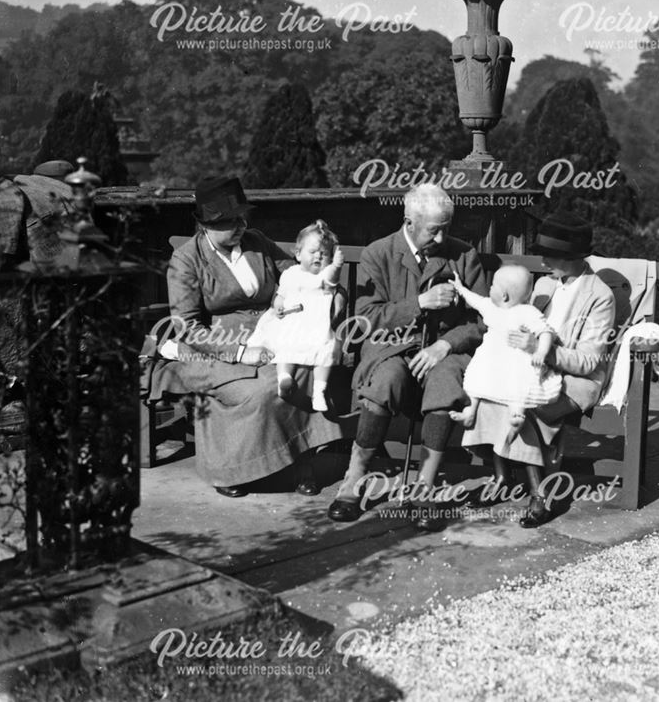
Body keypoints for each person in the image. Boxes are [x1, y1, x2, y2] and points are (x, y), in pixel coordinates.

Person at [146, 176, 344, 497]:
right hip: (213, 349)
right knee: (265, 390)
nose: (239, 226)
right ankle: (233, 470)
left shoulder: (256, 242)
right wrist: (240, 352)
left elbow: (296, 273)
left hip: (273, 335)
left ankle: (301, 463)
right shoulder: (186, 261)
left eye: (240, 217)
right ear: (206, 225)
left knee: (304, 370)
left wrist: (316, 292)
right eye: (228, 221)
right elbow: (188, 327)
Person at [326, 183, 488, 531]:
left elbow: (482, 320)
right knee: (386, 379)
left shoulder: (464, 256)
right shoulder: (378, 254)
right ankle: (353, 479)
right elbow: (365, 318)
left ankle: (424, 488)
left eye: (447, 228)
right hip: (391, 348)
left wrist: (445, 345)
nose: (443, 239)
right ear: (409, 222)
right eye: (435, 230)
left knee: (446, 380)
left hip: (443, 352)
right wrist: (419, 304)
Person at [462, 211, 616, 528]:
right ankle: (502, 476)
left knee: (523, 406)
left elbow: (589, 361)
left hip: (576, 380)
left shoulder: (600, 296)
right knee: (483, 395)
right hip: (530, 367)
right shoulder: (545, 285)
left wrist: (539, 351)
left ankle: (540, 493)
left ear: (570, 256)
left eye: (549, 255)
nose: (543, 262)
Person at [448, 264, 561, 442]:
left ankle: (516, 414)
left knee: (519, 383)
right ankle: (469, 412)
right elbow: (475, 300)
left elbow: (545, 332)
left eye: (492, 285)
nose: (489, 288)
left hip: (515, 360)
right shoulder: (491, 307)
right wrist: (460, 288)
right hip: (491, 359)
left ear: (504, 295)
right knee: (476, 377)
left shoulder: (528, 312)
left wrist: (540, 351)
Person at [246, 220, 344, 411]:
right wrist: (278, 305)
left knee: (326, 350)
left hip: (316, 326)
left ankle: (319, 391)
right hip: (291, 323)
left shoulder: (324, 276)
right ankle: (285, 378)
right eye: (313, 252)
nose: (318, 257)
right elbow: (281, 295)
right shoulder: (290, 273)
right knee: (285, 347)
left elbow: (332, 278)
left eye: (324, 254)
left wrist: (337, 266)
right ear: (298, 254)